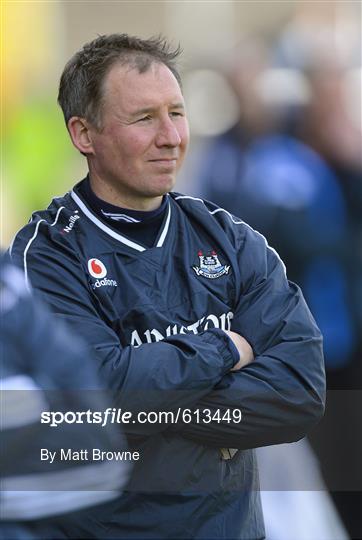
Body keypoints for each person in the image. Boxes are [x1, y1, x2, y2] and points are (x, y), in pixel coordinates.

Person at [8, 34, 326, 540]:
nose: (171, 136)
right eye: (144, 119)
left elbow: (301, 392)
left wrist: (153, 404)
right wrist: (225, 346)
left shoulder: (230, 238)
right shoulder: (48, 255)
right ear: (83, 133)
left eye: (176, 113)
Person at [0, 258, 130, 539]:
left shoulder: (8, 280)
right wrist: (225, 348)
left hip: (61, 504)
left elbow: (97, 436)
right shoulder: (44, 254)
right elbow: (114, 378)